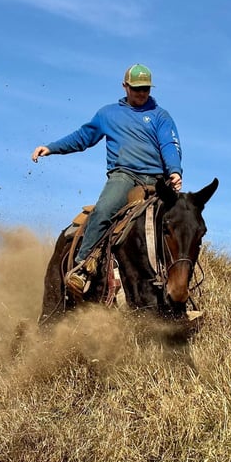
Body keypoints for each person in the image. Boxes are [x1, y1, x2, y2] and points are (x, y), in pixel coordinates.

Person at [32, 63, 183, 296]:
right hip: (125, 176)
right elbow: (83, 137)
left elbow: (169, 144)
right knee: (103, 211)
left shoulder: (160, 116)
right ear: (125, 86)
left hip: (157, 180)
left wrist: (174, 171)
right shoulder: (108, 114)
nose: (142, 93)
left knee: (183, 222)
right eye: (136, 88)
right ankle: (83, 268)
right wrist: (51, 148)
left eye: (146, 89)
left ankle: (182, 287)